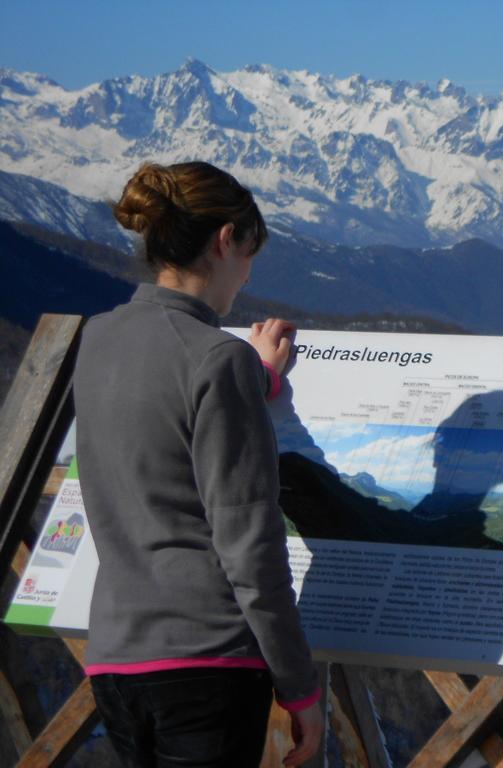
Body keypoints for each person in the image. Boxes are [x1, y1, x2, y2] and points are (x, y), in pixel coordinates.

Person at [73, 161, 323, 767]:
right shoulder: (217, 359)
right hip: (206, 662)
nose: (247, 274)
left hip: (115, 660)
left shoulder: (98, 341)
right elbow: (250, 548)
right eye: (249, 254)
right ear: (224, 240)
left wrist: (255, 377)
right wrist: (300, 688)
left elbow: (162, 414)